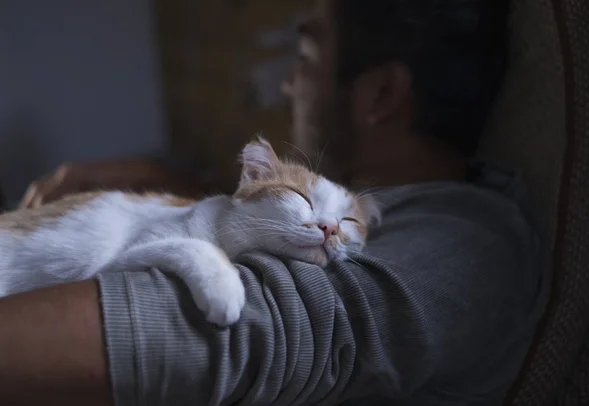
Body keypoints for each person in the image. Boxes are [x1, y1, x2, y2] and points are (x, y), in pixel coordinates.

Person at [0, 0, 550, 405]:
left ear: (380, 94)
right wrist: (164, 181)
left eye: (306, 55)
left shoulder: (466, 243)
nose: (288, 83)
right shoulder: (400, 210)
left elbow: (245, 333)